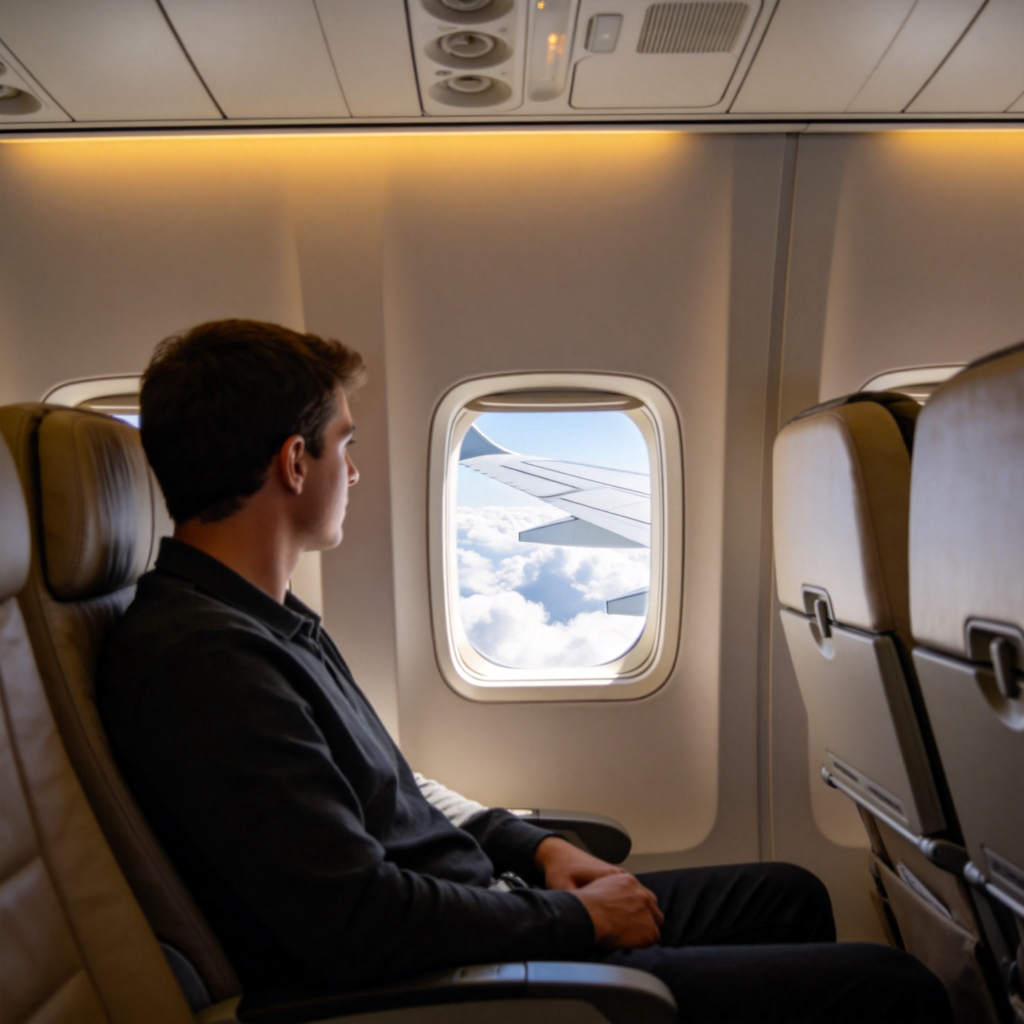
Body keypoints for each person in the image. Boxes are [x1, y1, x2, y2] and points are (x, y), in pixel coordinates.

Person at [99, 319, 952, 1022]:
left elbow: (396, 792)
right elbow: (352, 923)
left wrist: (536, 847)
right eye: (343, 446)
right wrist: (573, 920)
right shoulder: (202, 664)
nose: (354, 472)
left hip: (481, 908)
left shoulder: (261, 622)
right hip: (428, 983)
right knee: (890, 990)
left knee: (787, 896)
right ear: (293, 462)